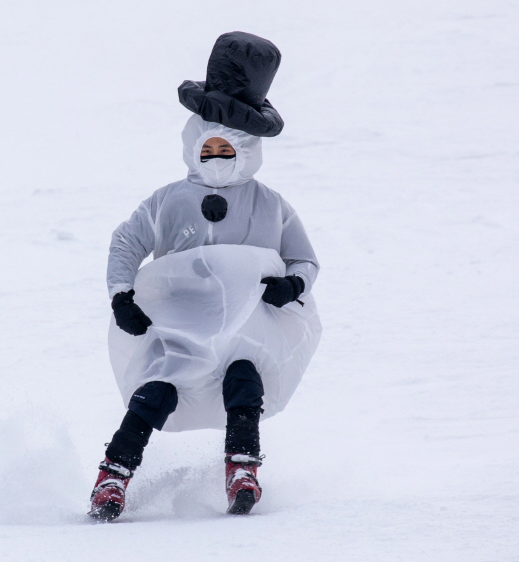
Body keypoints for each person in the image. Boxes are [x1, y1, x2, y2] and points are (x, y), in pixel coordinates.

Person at [88, 32, 320, 522]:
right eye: (208, 149)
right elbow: (126, 242)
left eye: (227, 151)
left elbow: (304, 258)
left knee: (243, 380)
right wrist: (121, 295)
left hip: (244, 328)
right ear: (194, 146)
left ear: (248, 151)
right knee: (156, 392)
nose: (216, 159)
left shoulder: (270, 206)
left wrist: (293, 285)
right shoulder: (169, 200)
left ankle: (242, 468)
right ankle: (113, 474)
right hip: (178, 326)